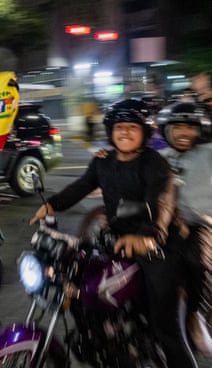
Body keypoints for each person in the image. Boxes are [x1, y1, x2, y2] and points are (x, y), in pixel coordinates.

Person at [30, 98, 198, 368]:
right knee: (82, 278)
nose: (125, 132)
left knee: (166, 328)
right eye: (120, 126)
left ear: (144, 131)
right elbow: (82, 185)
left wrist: (149, 235)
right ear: (111, 130)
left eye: (133, 126)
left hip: (159, 247)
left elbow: (162, 202)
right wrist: (52, 205)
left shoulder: (154, 163)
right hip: (117, 239)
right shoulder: (103, 161)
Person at [156, 101, 212, 355]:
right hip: (172, 224)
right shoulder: (162, 158)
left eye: (189, 127)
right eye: (176, 127)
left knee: (196, 261)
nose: (182, 133)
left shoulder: (209, 153)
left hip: (205, 225)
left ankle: (194, 316)